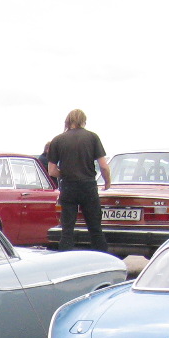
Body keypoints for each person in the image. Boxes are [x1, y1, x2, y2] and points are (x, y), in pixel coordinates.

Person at [44, 108, 110, 253]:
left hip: (68, 187)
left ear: (67, 121)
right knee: (95, 229)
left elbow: (52, 171)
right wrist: (107, 182)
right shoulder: (92, 137)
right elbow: (104, 166)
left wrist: (66, 173)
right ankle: (102, 259)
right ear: (83, 120)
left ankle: (65, 262)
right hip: (88, 186)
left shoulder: (58, 140)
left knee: (67, 230)